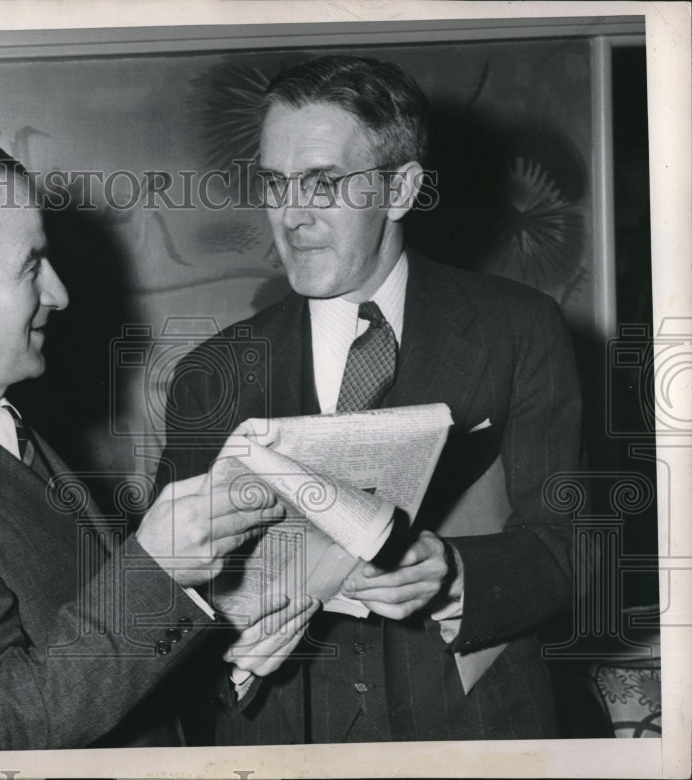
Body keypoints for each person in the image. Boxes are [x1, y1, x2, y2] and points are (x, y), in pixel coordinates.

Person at [156, 56, 582, 743]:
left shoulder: (519, 330)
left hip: (472, 735)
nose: (291, 216)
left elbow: (579, 546)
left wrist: (457, 573)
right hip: (280, 739)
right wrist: (225, 630)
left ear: (402, 189)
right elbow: (164, 586)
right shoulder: (214, 372)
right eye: (275, 183)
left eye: (323, 183)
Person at [0, 132, 304, 752]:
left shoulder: (1, 433)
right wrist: (157, 572)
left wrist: (222, 630)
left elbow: (78, 643)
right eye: (31, 267)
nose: (59, 293)